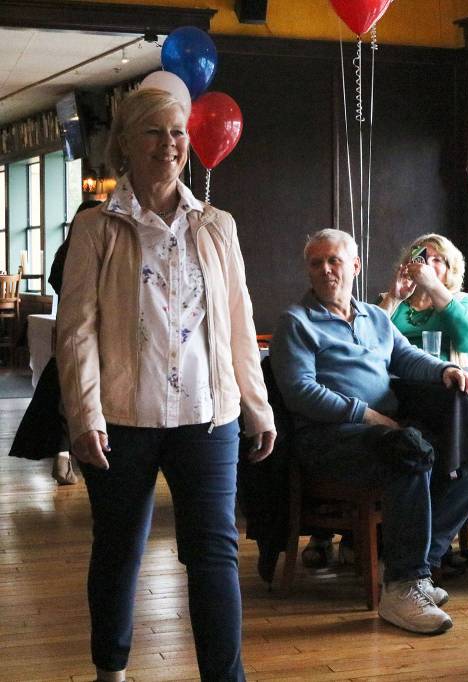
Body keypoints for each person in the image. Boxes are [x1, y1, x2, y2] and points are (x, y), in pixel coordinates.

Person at [56, 88, 275, 682]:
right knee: (119, 550)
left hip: (208, 418)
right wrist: (84, 415)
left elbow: (238, 320)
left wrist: (256, 405)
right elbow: (75, 331)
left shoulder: (216, 226)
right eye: (153, 132)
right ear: (124, 143)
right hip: (122, 422)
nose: (169, 144)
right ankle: (112, 667)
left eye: (177, 132)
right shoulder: (97, 228)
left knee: (214, 557)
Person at [271, 228, 468, 635]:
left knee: (464, 453)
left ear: (355, 266)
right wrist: (367, 415)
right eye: (316, 263)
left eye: (334, 261)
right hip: (326, 439)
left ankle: (413, 569)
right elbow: (301, 392)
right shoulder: (295, 322)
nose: (326, 270)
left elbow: (406, 356)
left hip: (380, 435)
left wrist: (446, 369)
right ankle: (402, 588)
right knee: (407, 452)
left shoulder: (373, 316)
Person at [9, 199, 102, 485]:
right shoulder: (90, 249)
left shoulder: (66, 251)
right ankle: (68, 457)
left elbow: (57, 282)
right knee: (69, 391)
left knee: (63, 388)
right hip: (93, 332)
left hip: (68, 329)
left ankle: (66, 456)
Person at [378, 233, 468, 365]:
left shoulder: (461, 301)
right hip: (395, 379)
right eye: (421, 257)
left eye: (437, 260)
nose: (427, 264)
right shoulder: (387, 298)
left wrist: (433, 285)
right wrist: (393, 298)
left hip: (444, 380)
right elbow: (367, 341)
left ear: (450, 271)